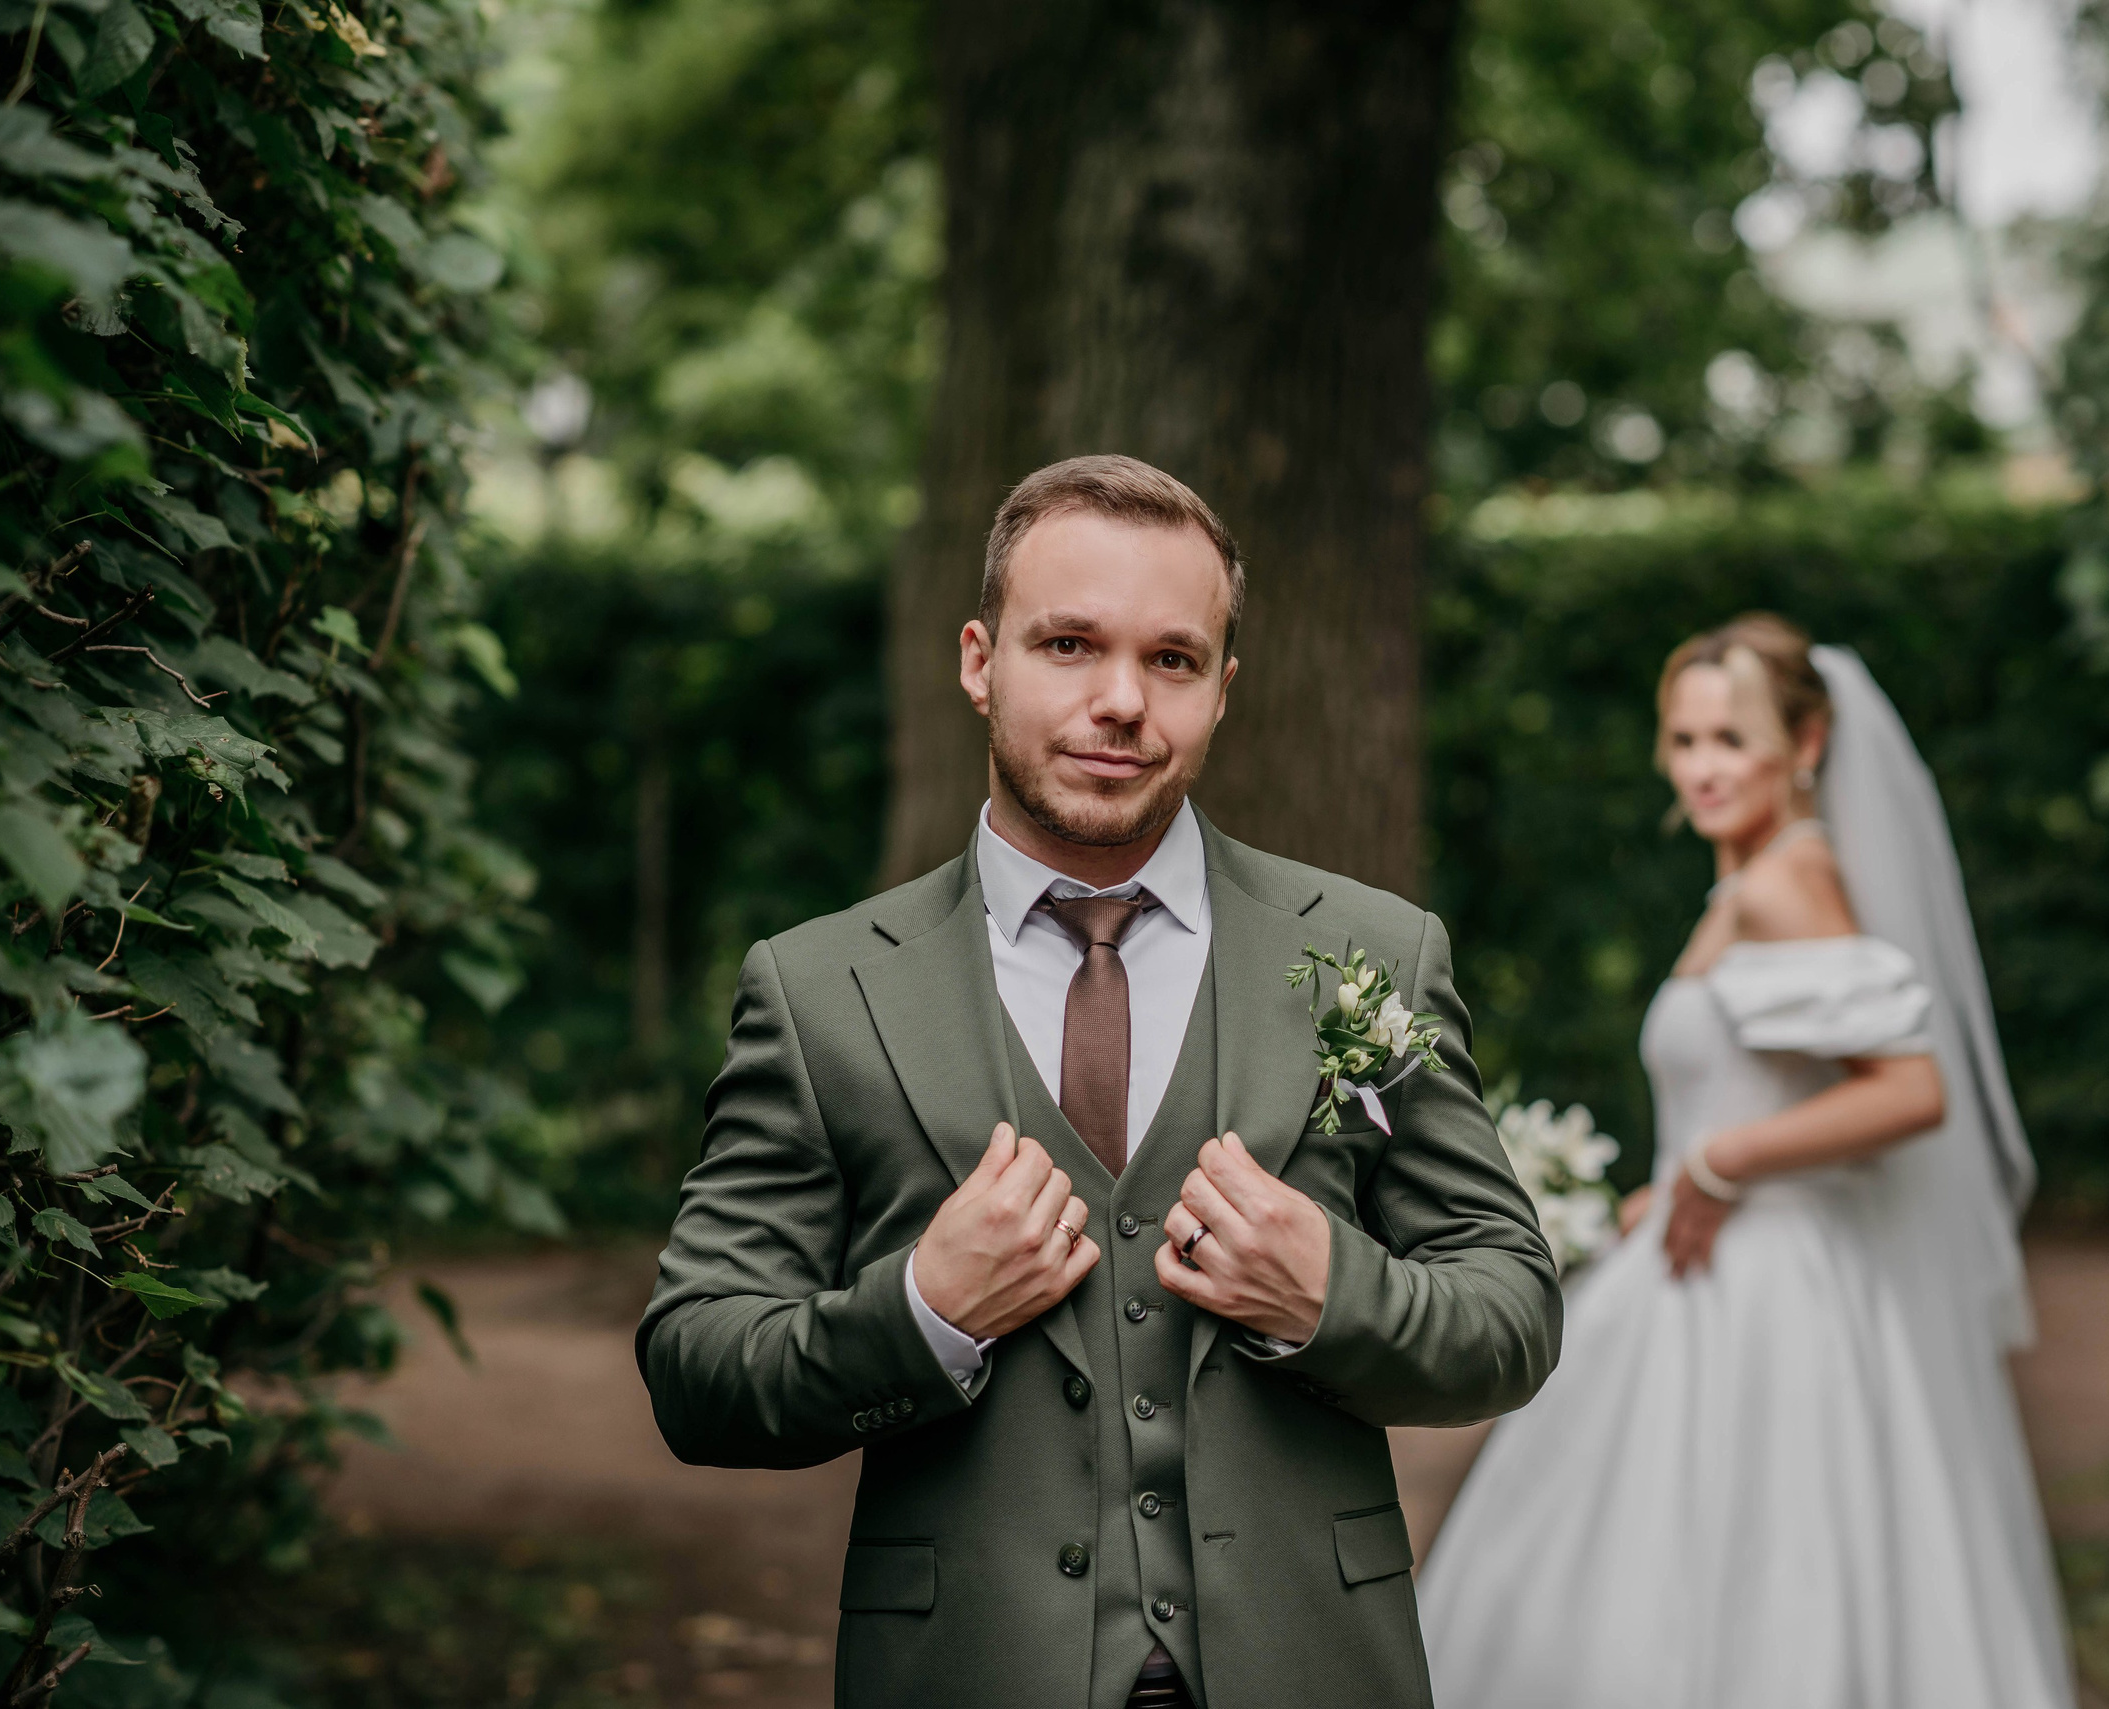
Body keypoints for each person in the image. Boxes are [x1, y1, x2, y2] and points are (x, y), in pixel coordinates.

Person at [637, 454, 1562, 1709]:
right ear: (979, 659)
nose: (1120, 700)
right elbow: (699, 1362)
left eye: (1172, 659)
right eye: (1068, 643)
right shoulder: (821, 989)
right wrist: (922, 1308)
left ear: (1223, 689)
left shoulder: (1366, 955)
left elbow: (1510, 1311)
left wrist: (1323, 1292)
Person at [1416, 614, 2074, 1709]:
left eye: (1730, 737)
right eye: (1683, 739)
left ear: (1805, 744)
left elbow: (1913, 1088)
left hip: (1768, 1290)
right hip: (1697, 1263)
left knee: (1760, 1564)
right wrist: (1671, 1182)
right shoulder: (1749, 882)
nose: (1702, 765)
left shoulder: (1786, 885)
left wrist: (1723, 1160)